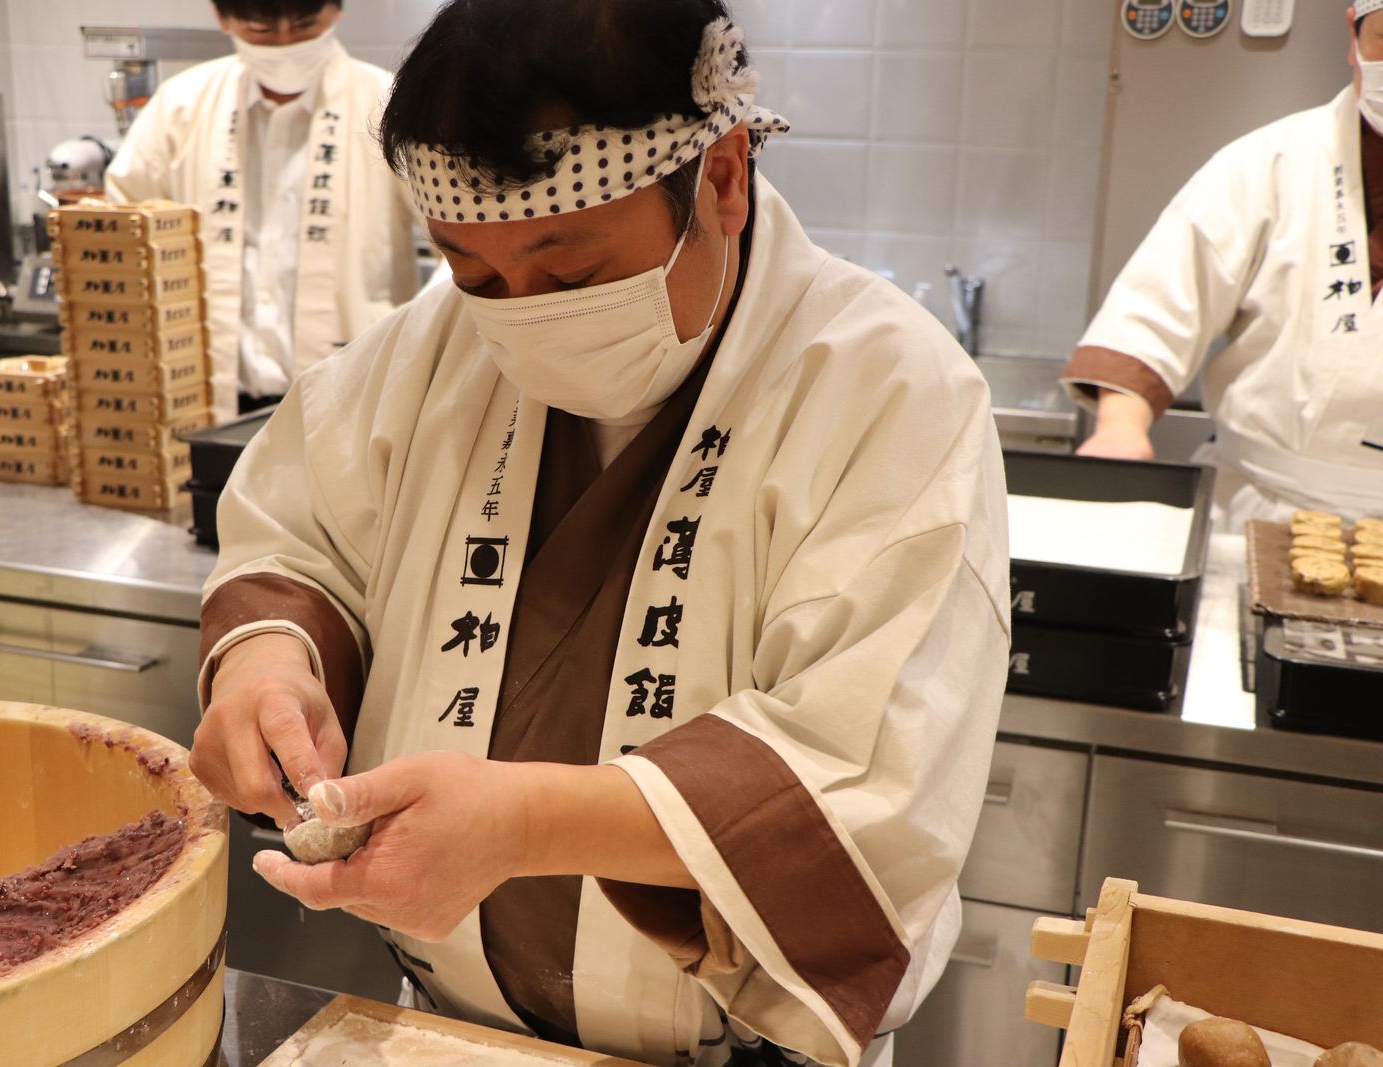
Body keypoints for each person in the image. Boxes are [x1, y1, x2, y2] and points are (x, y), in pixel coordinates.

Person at [190, 2, 1010, 1064]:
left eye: (569, 274)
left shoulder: (886, 389)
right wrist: (266, 664)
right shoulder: (428, 351)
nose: (518, 315)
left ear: (720, 178)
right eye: (475, 274)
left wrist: (525, 821)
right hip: (440, 1029)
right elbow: (299, 538)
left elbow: (869, 770)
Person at [1066, 1, 1383, 528]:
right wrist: (1121, 427)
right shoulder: (1269, 163)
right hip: (1259, 509)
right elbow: (1158, 306)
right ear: (1352, 36)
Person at [105, 0, 421, 421]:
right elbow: (121, 233)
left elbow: (457, 239)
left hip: (355, 396)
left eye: (306, 25)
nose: (286, 42)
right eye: (261, 29)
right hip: (211, 400)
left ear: (337, 11)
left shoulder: (389, 107)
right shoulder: (180, 106)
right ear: (222, 18)